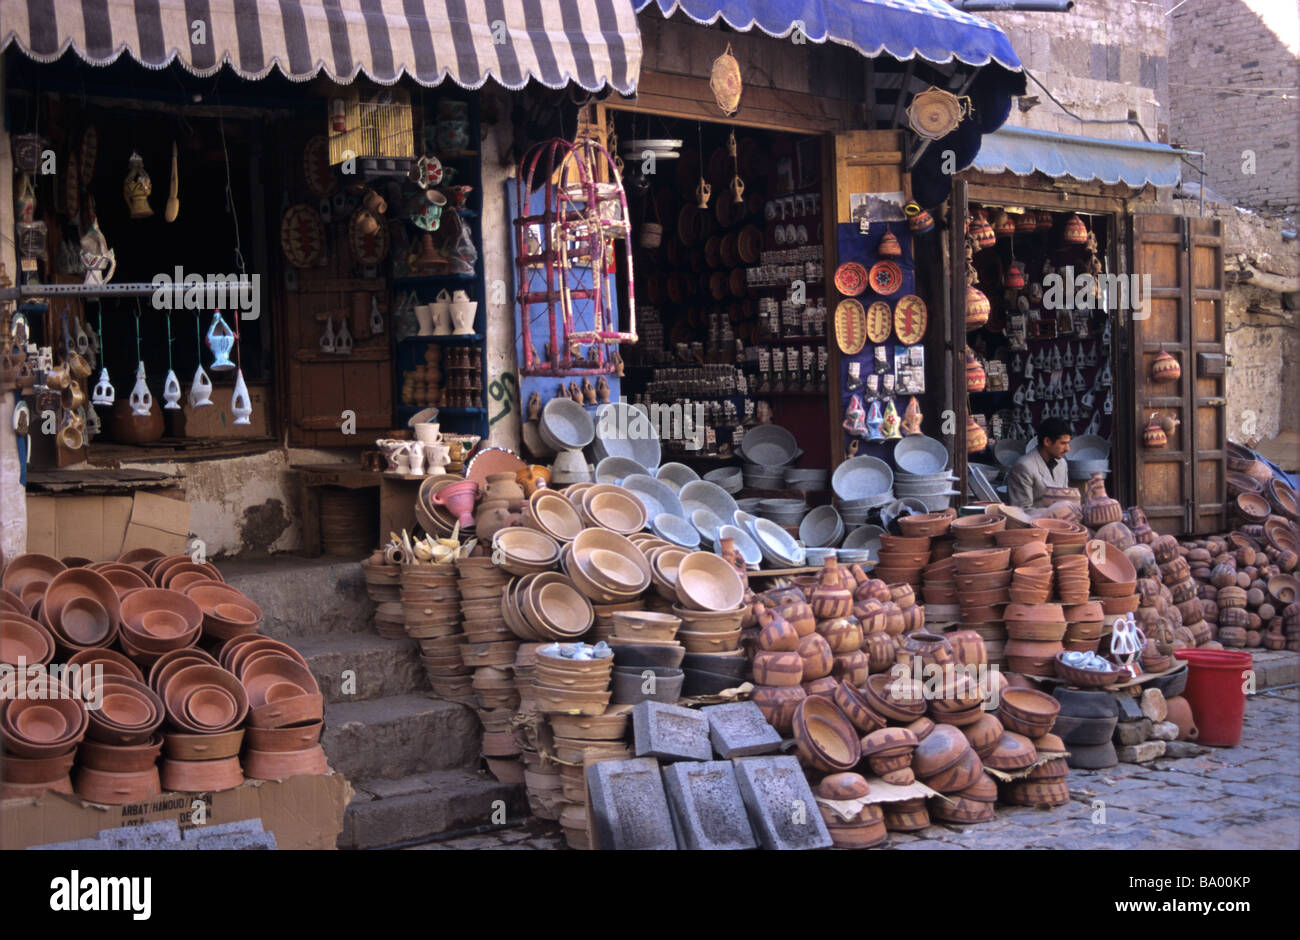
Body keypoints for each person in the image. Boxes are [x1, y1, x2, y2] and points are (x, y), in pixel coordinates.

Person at [1006, 418, 1072, 507]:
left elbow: (1064, 499)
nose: (1068, 449)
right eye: (1063, 443)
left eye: (1068, 443)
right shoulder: (1023, 466)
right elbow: (1021, 511)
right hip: (1033, 520)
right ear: (1047, 442)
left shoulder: (1062, 463)